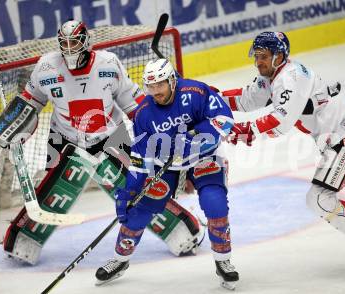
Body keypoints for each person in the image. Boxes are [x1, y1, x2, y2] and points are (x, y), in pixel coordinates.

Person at [0, 19, 204, 265]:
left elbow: (133, 103)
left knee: (138, 188)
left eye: (75, 42)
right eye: (65, 43)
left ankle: (182, 230)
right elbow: (30, 102)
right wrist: (15, 128)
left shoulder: (108, 63)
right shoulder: (46, 67)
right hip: (64, 138)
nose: (70, 48)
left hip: (110, 136)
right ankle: (23, 241)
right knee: (54, 194)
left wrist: (158, 128)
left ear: (86, 42)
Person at [222, 31, 345, 270]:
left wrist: (246, 129)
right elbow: (246, 100)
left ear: (279, 56)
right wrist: (210, 97)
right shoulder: (274, 76)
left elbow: (281, 121)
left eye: (263, 56)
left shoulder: (290, 78)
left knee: (319, 199)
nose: (257, 61)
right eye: (257, 56)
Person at [95, 58, 239, 290]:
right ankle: (120, 260)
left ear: (172, 80)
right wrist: (128, 191)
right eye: (150, 87)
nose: (155, 92)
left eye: (160, 85)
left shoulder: (195, 91)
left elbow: (225, 120)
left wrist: (195, 137)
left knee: (215, 204)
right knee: (137, 213)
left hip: (205, 156)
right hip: (167, 164)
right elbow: (140, 160)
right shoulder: (143, 114)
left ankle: (224, 262)